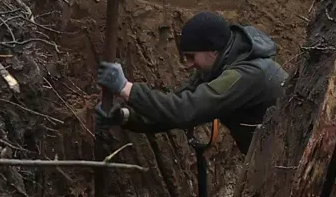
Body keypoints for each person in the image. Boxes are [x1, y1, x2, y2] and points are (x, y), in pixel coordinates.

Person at [95, 11, 287, 153]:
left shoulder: (248, 74)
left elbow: (186, 110)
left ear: (212, 50)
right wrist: (126, 116)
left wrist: (126, 88)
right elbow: (173, 108)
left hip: (286, 162)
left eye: (191, 56)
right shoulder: (219, 65)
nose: (187, 65)